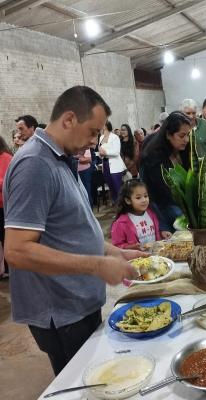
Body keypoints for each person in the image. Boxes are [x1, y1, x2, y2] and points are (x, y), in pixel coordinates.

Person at [3, 86, 145, 376]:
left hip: (78, 301)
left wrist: (113, 251)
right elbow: (17, 250)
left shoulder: (60, 159)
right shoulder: (35, 164)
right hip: (60, 310)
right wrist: (96, 265)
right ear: (68, 119)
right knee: (82, 384)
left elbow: (70, 228)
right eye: (92, 132)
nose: (94, 142)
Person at [140, 112, 191, 231]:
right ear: (168, 134)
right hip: (161, 205)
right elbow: (165, 191)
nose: (186, 140)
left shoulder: (182, 149)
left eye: (188, 135)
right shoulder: (153, 156)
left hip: (179, 202)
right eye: (182, 136)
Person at [111, 180, 171, 248]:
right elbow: (117, 247)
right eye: (138, 198)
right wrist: (131, 247)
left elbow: (155, 233)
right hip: (137, 258)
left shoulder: (151, 214)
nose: (144, 200)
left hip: (155, 256)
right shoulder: (121, 223)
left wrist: (162, 233)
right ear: (128, 200)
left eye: (145, 196)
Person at [99, 121, 125, 204]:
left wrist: (105, 153)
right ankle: (116, 208)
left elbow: (117, 152)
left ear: (106, 126)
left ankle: (123, 208)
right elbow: (100, 151)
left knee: (117, 187)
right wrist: (101, 157)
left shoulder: (114, 137)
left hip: (115, 165)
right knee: (111, 187)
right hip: (105, 164)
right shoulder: (101, 137)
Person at [0, 137, 12, 279]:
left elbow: (8, 182)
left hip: (4, 206)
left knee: (5, 238)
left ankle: (9, 269)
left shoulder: (7, 158)